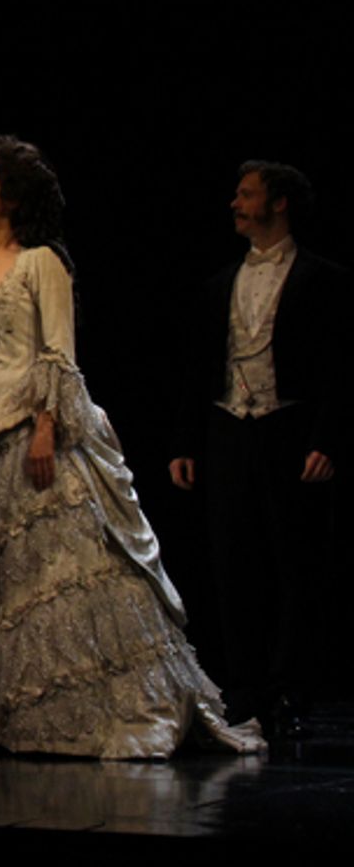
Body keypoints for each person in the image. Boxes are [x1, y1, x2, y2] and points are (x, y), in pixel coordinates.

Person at [0, 135, 262, 758]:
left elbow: (58, 355)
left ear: (11, 197)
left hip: (33, 436)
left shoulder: (43, 261)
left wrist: (47, 427)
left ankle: (69, 713)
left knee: (53, 584)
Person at [168, 161, 346, 736]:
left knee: (296, 564)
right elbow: (197, 368)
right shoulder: (220, 283)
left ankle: (290, 688)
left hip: (289, 430)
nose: (235, 204)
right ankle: (243, 687)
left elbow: (340, 370)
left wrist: (327, 439)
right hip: (228, 431)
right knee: (233, 563)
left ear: (280, 204)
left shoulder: (323, 279)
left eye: (246, 195)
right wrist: (185, 442)